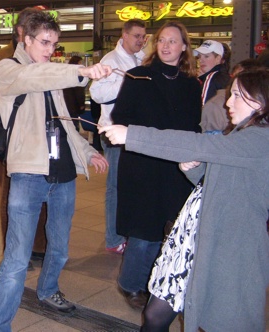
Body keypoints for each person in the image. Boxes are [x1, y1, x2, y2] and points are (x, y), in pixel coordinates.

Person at [99, 67, 269, 332]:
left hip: (231, 249)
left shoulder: (260, 139)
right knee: (157, 313)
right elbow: (222, 184)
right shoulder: (242, 135)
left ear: (259, 101)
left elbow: (200, 145)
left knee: (224, 320)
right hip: (196, 240)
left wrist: (132, 135)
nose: (227, 102)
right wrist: (195, 170)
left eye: (236, 95)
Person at [0, 11, 110, 332]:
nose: (49, 49)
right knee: (15, 261)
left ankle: (48, 289)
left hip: (63, 174)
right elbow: (36, 76)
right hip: (28, 175)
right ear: (22, 37)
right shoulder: (7, 69)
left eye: (54, 44)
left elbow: (64, 123)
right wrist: (81, 70)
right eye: (44, 42)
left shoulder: (52, 73)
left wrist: (87, 150)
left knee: (59, 247)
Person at [111, 21, 202, 310]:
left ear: (184, 47)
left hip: (175, 165)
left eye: (173, 41)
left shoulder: (191, 84)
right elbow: (120, 116)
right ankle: (131, 283)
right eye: (162, 40)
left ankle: (156, 282)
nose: (165, 45)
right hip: (143, 164)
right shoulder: (139, 76)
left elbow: (194, 126)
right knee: (144, 229)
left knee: (169, 228)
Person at [0, 7, 47, 270]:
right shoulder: (0, 58)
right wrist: (4, 124)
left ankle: (39, 245)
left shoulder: (41, 57)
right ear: (20, 31)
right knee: (12, 196)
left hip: (40, 140)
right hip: (11, 142)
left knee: (40, 193)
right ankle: (16, 250)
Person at [89, 19, 146, 254]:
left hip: (135, 132)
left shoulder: (142, 59)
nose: (141, 41)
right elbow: (96, 93)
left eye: (143, 37)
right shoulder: (110, 61)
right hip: (113, 132)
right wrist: (128, 84)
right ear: (124, 35)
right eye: (136, 36)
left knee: (133, 186)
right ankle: (113, 239)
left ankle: (129, 232)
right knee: (115, 187)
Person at [200, 58, 259, 134]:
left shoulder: (215, 105)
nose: (228, 103)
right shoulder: (216, 104)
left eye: (237, 95)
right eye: (233, 78)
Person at [194, 40, 231, 105]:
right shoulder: (226, 77)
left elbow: (203, 108)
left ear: (218, 59)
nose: (200, 60)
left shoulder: (210, 78)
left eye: (206, 56)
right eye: (199, 57)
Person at [63, 55, 86, 131]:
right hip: (74, 104)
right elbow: (79, 92)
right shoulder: (78, 74)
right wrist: (81, 104)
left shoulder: (67, 72)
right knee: (75, 124)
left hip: (67, 102)